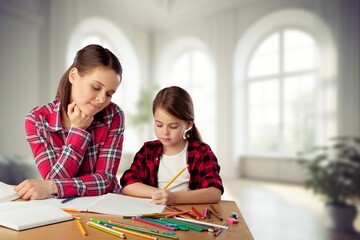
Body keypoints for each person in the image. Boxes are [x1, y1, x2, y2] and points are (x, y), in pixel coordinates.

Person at [15, 44, 125, 200]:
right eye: (95, 87)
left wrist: (53, 186)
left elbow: (106, 181)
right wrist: (78, 131)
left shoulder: (113, 115)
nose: (101, 99)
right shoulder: (37, 119)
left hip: (105, 207)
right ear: (73, 76)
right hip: (63, 210)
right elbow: (53, 178)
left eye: (109, 94)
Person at [120, 86, 223, 205]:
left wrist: (174, 197)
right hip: (153, 214)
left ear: (188, 124)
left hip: (188, 215)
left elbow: (214, 193)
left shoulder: (201, 152)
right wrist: (161, 194)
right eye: (159, 125)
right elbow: (127, 185)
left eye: (173, 126)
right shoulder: (148, 150)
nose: (165, 132)